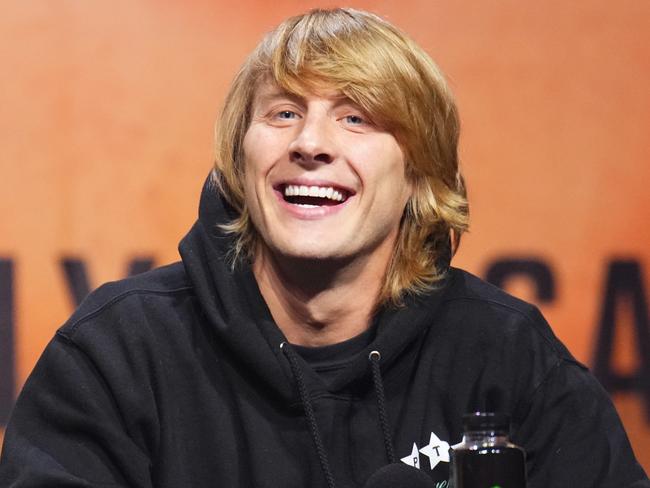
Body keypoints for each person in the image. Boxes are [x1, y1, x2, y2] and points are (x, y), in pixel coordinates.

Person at [0, 8, 647, 488]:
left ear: (421, 174)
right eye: (282, 113)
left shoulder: (504, 357)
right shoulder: (117, 353)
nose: (310, 143)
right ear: (237, 162)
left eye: (356, 116)